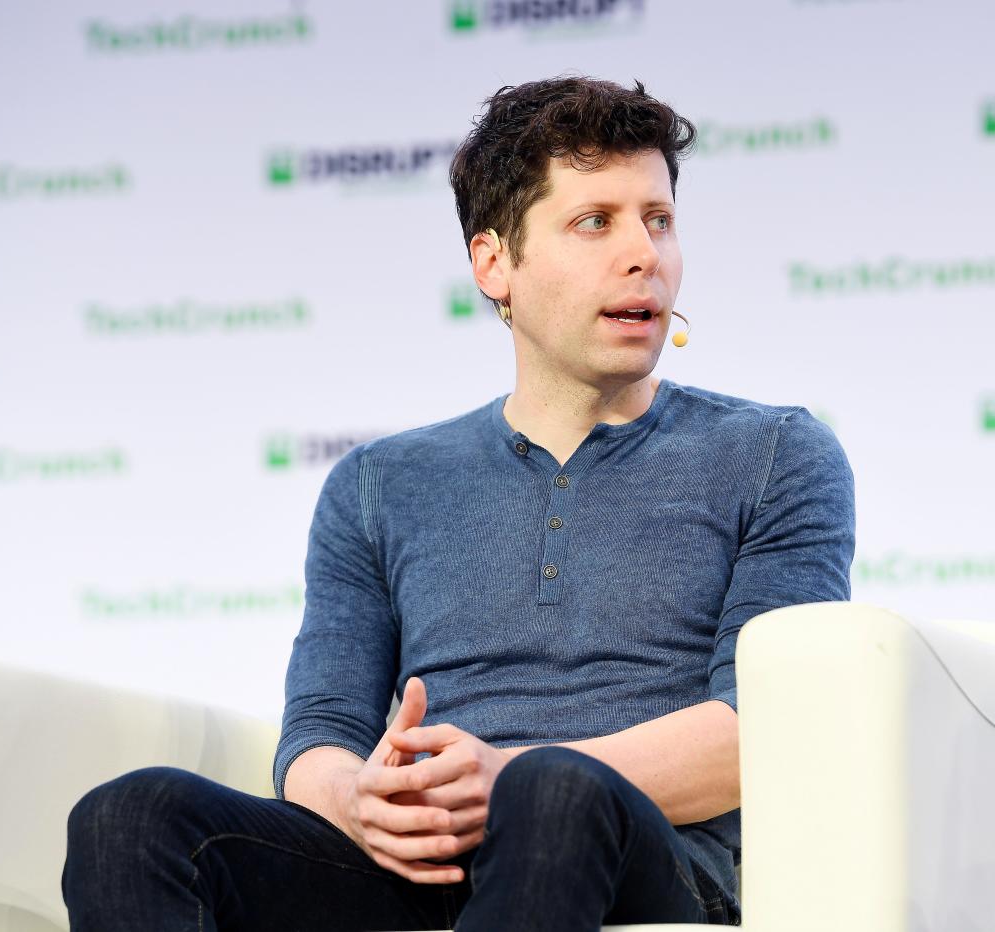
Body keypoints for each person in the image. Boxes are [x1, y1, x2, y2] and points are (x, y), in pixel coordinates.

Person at [63, 76, 855, 931]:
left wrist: (507, 774)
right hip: (416, 870)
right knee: (131, 819)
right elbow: (319, 734)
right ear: (494, 263)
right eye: (596, 222)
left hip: (650, 858)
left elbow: (758, 732)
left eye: (657, 219)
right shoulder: (380, 484)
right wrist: (362, 798)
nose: (645, 254)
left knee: (551, 793)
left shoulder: (775, 453)